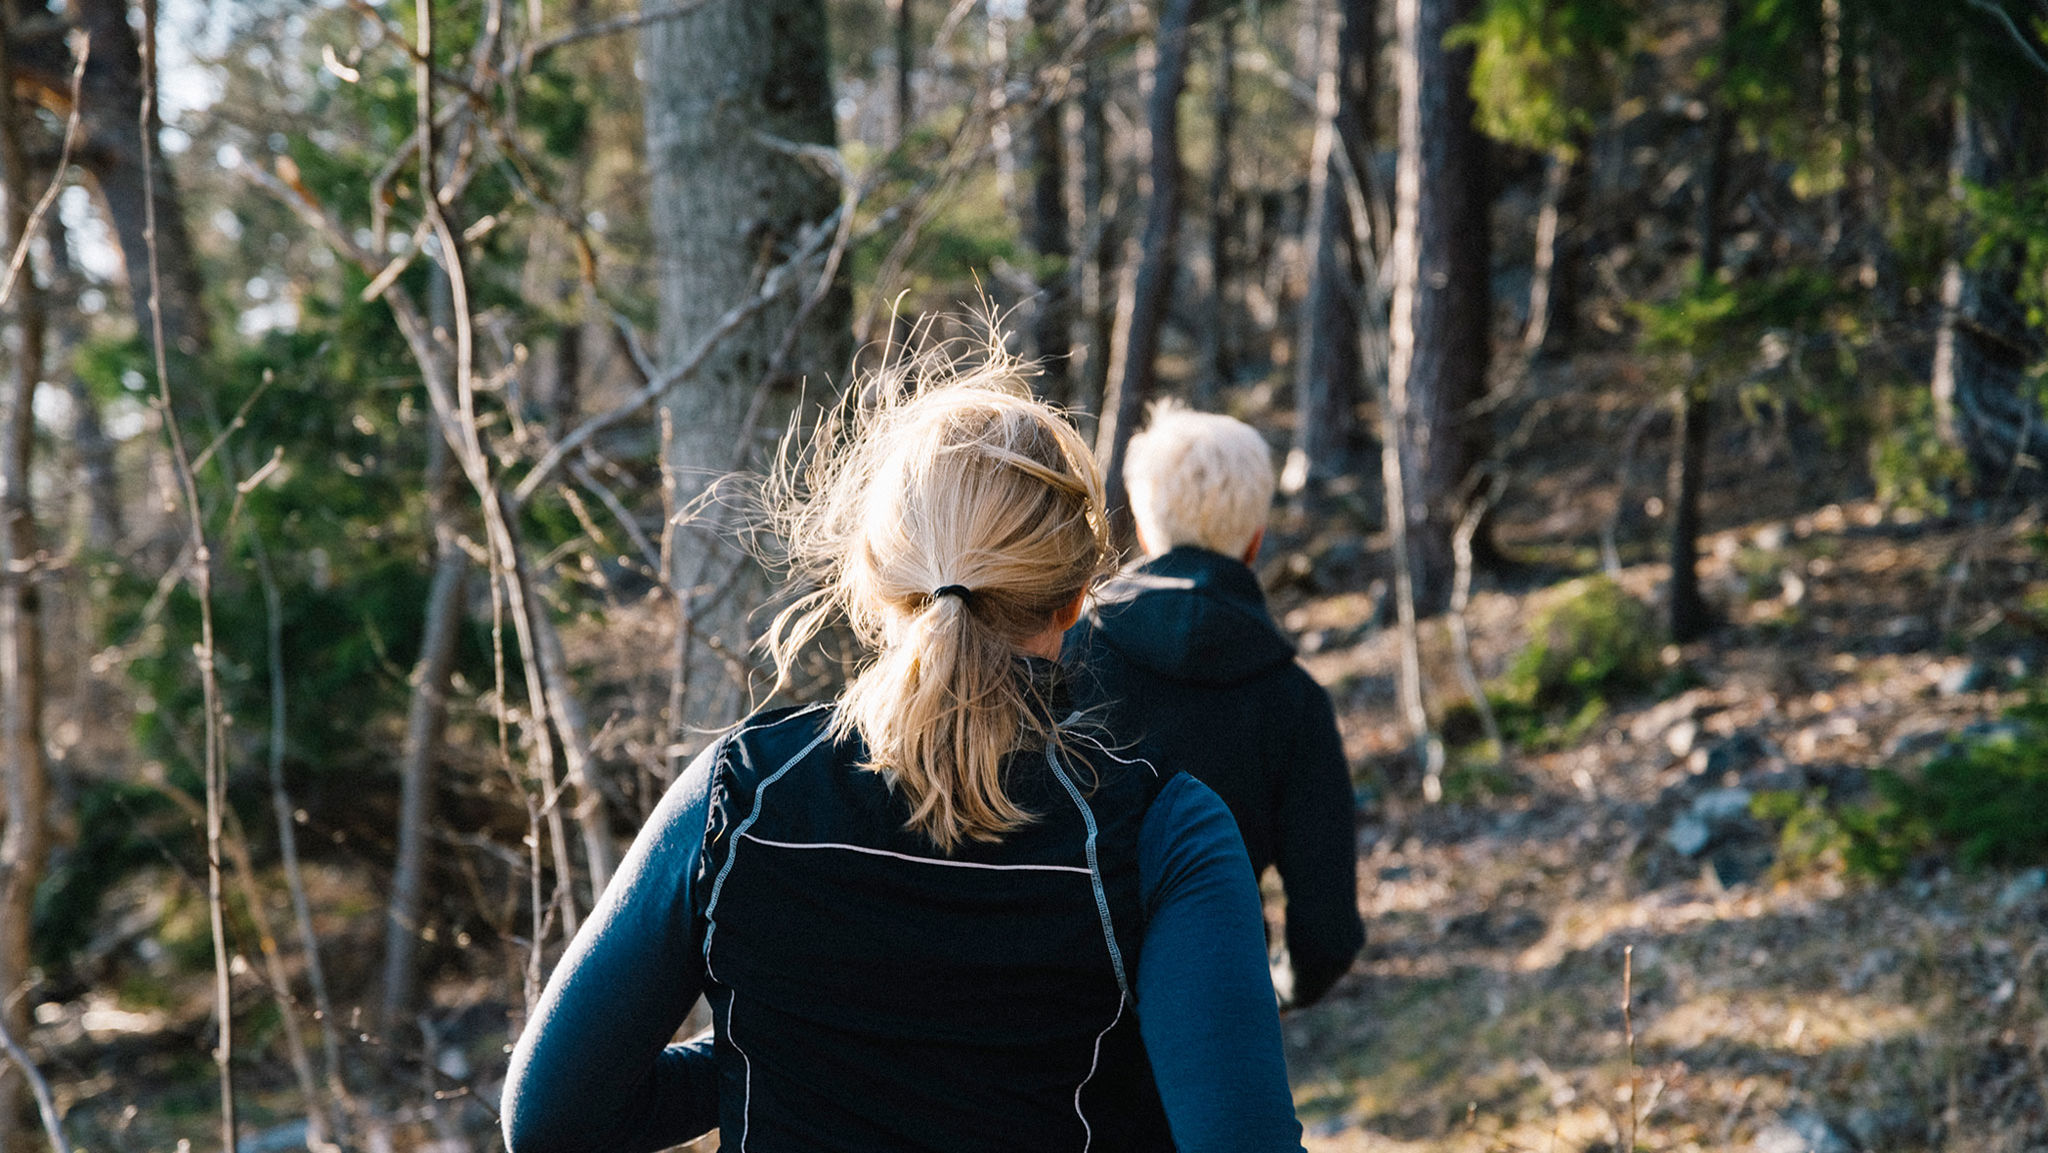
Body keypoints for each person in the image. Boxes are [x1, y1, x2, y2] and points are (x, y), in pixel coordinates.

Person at [501, 357, 1304, 1153]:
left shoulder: (741, 796)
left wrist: (770, 1048)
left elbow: (552, 1118)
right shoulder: (1165, 832)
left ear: (877, 582)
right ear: (1076, 595)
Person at [1064, 402, 1364, 1009]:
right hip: (1219, 1002)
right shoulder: (1294, 701)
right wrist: (1273, 989)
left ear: (1146, 530)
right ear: (1255, 539)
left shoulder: (1067, 656)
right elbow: (1326, 931)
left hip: (1067, 993)